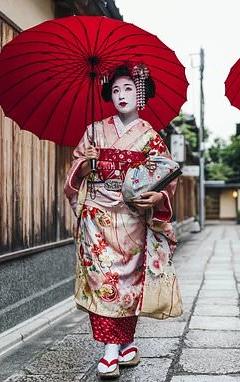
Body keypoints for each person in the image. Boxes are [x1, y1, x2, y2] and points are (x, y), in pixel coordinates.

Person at [64, 64, 177, 379]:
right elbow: (75, 171)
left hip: (132, 217)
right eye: (115, 90)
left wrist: (159, 198)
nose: (121, 95)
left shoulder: (151, 137)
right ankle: (110, 351)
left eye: (128, 88)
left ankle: (126, 343)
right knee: (104, 282)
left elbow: (166, 178)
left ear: (140, 93)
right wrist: (85, 166)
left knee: (128, 283)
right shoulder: (94, 131)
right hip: (96, 216)